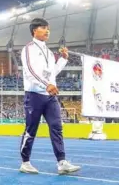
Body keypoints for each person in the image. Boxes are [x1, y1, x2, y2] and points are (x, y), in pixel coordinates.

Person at [19, 18, 80, 175]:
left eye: (48, 28)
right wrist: (46, 85)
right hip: (34, 95)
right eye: (43, 28)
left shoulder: (48, 52)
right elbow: (30, 71)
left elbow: (52, 73)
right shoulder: (28, 49)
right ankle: (25, 162)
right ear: (34, 30)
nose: (47, 31)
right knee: (31, 129)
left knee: (57, 127)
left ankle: (62, 162)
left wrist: (63, 60)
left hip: (50, 96)